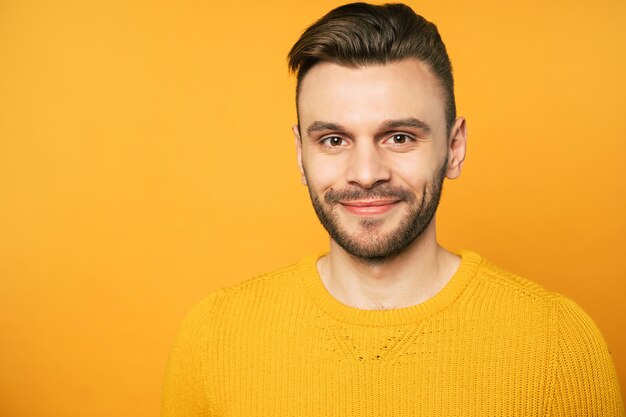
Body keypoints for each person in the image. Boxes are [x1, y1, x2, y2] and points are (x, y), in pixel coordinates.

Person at [161, 3, 624, 416]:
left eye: (399, 137)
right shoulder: (214, 337)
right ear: (301, 154)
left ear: (455, 147)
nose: (366, 173)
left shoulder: (558, 344)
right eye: (334, 140)